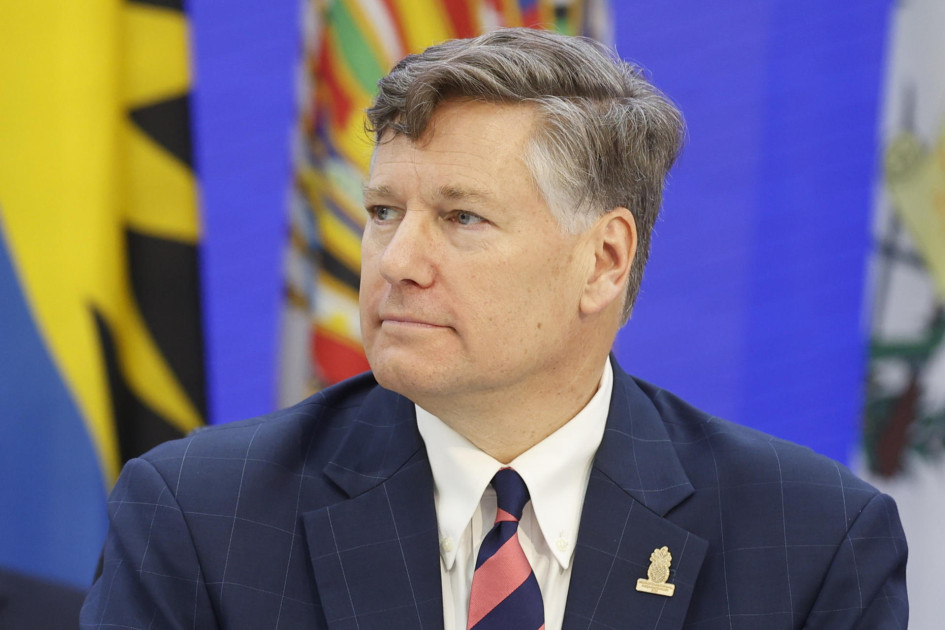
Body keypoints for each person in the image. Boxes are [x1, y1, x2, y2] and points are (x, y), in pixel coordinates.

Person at [81, 27, 907, 629]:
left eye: (461, 217)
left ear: (604, 259)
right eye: (381, 212)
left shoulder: (809, 540)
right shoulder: (201, 517)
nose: (396, 260)